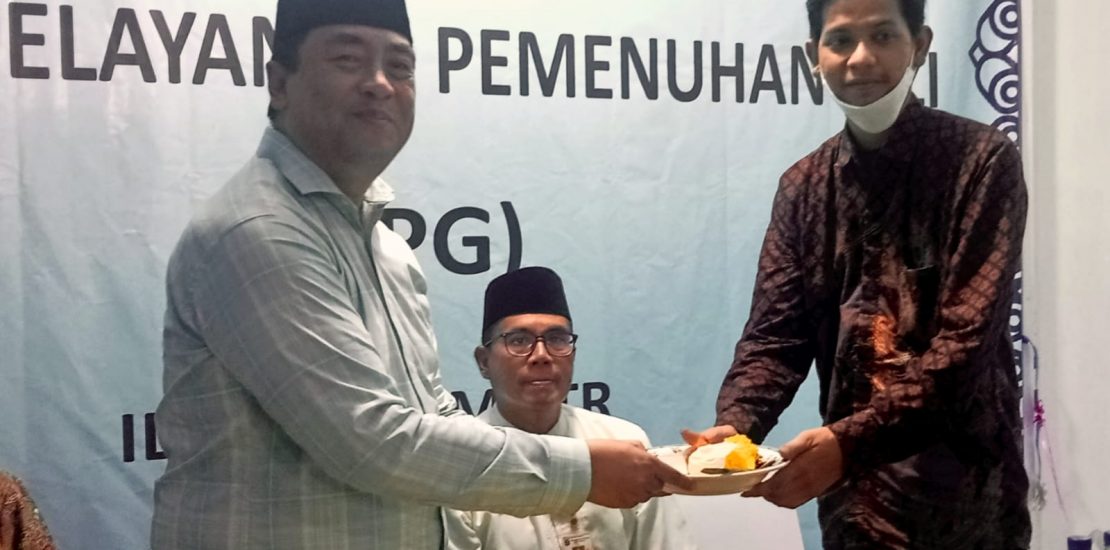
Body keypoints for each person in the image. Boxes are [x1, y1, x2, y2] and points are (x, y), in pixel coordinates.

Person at [149, 1, 689, 548]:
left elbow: (433, 413)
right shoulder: (259, 230)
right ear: (280, 82)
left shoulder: (386, 248)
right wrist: (582, 471)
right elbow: (371, 441)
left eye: (400, 66)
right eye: (347, 59)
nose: (379, 83)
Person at [686, 0, 1031, 548]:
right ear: (814, 55)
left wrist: (846, 445)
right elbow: (775, 338)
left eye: (883, 36)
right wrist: (737, 427)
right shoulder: (803, 187)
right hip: (854, 511)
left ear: (920, 44)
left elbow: (964, 348)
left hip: (965, 507)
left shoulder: (980, 161)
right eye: (841, 40)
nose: (861, 58)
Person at [445, 267, 695, 550]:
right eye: (518, 341)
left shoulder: (622, 442)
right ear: (484, 362)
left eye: (557, 339)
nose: (541, 355)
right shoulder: (465, 462)